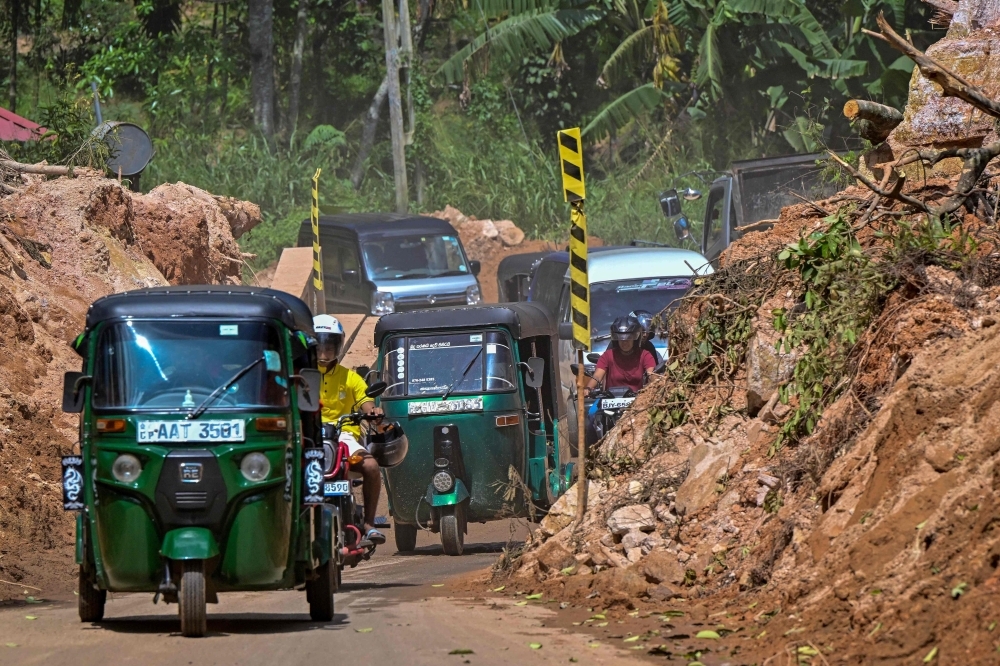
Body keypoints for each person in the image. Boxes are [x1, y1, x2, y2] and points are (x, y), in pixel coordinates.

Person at [314, 314, 386, 545]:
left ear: (338, 346)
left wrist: (373, 412)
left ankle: (369, 524)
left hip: (345, 437)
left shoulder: (351, 378)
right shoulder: (302, 375)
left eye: (329, 347)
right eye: (320, 348)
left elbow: (367, 403)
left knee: (372, 466)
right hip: (309, 434)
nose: (324, 354)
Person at [584, 317, 655, 396]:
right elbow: (597, 376)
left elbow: (651, 375)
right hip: (609, 402)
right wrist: (589, 388)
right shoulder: (607, 355)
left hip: (637, 403)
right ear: (616, 339)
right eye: (621, 339)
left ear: (635, 338)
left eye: (628, 338)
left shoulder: (645, 355)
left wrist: (656, 386)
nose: (624, 342)